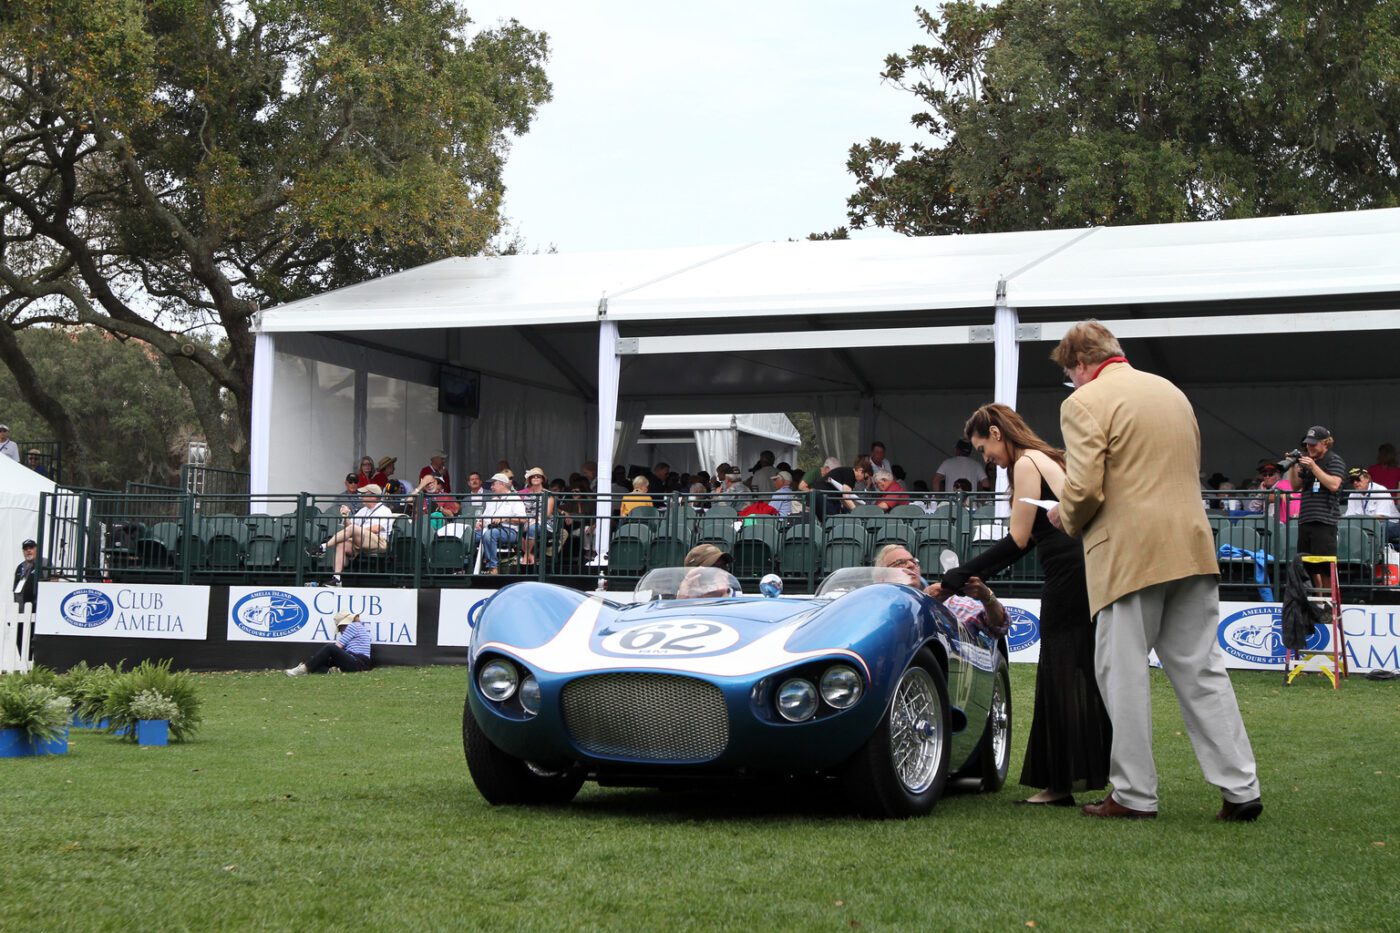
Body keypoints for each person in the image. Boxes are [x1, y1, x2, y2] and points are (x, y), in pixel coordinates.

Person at [1047, 320, 1261, 822]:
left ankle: (1134, 795)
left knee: (1122, 675)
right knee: (1202, 670)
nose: (1071, 382)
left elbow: (1085, 488)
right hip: (1191, 545)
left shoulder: (1084, 401)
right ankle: (1241, 789)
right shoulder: (1171, 392)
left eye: (1069, 373)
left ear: (1081, 364)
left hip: (1129, 554)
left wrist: (1065, 515)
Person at [938, 404, 1111, 806]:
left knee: (1059, 672)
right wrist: (967, 575)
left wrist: (959, 574)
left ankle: (1060, 784)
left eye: (984, 448)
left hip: (1068, 577)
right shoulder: (1045, 458)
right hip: (1084, 571)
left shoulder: (1027, 463)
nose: (987, 459)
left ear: (996, 434)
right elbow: (1030, 540)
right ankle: (1079, 776)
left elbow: (1017, 540)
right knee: (1083, 671)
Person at [1286, 426, 1347, 588]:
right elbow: (1295, 486)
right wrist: (1292, 465)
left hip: (1324, 520)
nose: (1309, 447)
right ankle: (1317, 597)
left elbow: (1334, 485)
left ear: (1325, 443)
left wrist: (1313, 467)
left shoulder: (1334, 460)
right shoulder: (1309, 462)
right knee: (1308, 566)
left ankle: (1328, 600)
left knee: (1325, 567)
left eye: (1313, 444)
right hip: (1306, 519)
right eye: (1308, 444)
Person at [306, 484, 394, 587]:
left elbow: (376, 529)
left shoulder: (385, 510)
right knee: (341, 544)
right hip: (360, 541)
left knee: (354, 529)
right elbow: (349, 527)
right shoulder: (363, 510)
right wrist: (345, 516)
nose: (361, 496)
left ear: (373, 496)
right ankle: (337, 578)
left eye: (364, 494)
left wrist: (357, 531)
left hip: (378, 542)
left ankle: (323, 547)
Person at [285, 611, 373, 675]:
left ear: (344, 623)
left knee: (330, 648)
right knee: (317, 661)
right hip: (358, 664)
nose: (341, 631)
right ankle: (328, 671)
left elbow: (338, 646)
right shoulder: (358, 627)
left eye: (341, 627)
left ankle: (303, 669)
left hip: (357, 663)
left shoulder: (353, 626)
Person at [474, 473, 526, 574]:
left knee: (490, 534)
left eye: (493, 484)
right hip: (489, 529)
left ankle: (492, 567)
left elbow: (523, 519)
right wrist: (480, 522)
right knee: (470, 536)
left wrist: (504, 519)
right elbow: (484, 517)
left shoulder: (514, 498)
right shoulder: (492, 501)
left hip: (509, 531)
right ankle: (468, 566)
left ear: (502, 484)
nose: (491, 487)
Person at [12, 537, 52, 658]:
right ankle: (25, 662)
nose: (28, 551)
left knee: (36, 640)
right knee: (20, 639)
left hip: (38, 610)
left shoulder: (44, 563)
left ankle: (37, 664)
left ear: (36, 549)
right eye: (26, 549)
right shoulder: (20, 567)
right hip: (21, 610)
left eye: (31, 548)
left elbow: (54, 581)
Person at [1345, 467, 1400, 546]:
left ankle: (1377, 552)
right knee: (1348, 529)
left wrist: (1361, 523)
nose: (1355, 482)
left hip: (1390, 523)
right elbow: (1349, 517)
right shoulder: (1352, 495)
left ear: (1367, 479)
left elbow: (1381, 517)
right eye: (1352, 481)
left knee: (1377, 528)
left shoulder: (1380, 490)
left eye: (1357, 479)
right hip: (1366, 524)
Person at [521, 467, 556, 566]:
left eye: (538, 476)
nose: (535, 478)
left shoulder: (548, 494)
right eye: (533, 476)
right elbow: (523, 511)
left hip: (544, 522)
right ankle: (530, 555)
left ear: (542, 479)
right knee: (516, 528)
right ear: (530, 479)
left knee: (532, 528)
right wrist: (527, 521)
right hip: (527, 521)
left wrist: (534, 520)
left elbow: (547, 514)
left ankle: (526, 555)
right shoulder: (527, 495)